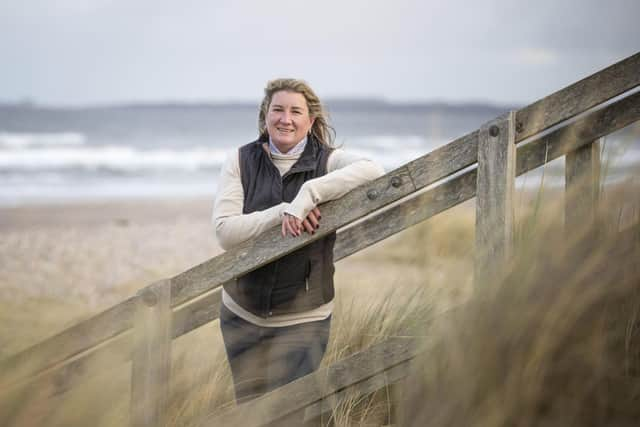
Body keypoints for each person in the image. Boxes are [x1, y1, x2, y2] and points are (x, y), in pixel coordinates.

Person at [212, 78, 385, 405]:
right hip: (241, 315)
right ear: (265, 115)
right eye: (277, 109)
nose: (285, 119)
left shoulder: (328, 161)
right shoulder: (239, 160)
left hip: (304, 319)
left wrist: (309, 193)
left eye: (296, 111)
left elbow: (374, 170)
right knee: (250, 413)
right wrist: (283, 212)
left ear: (311, 120)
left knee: (292, 414)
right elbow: (225, 232)